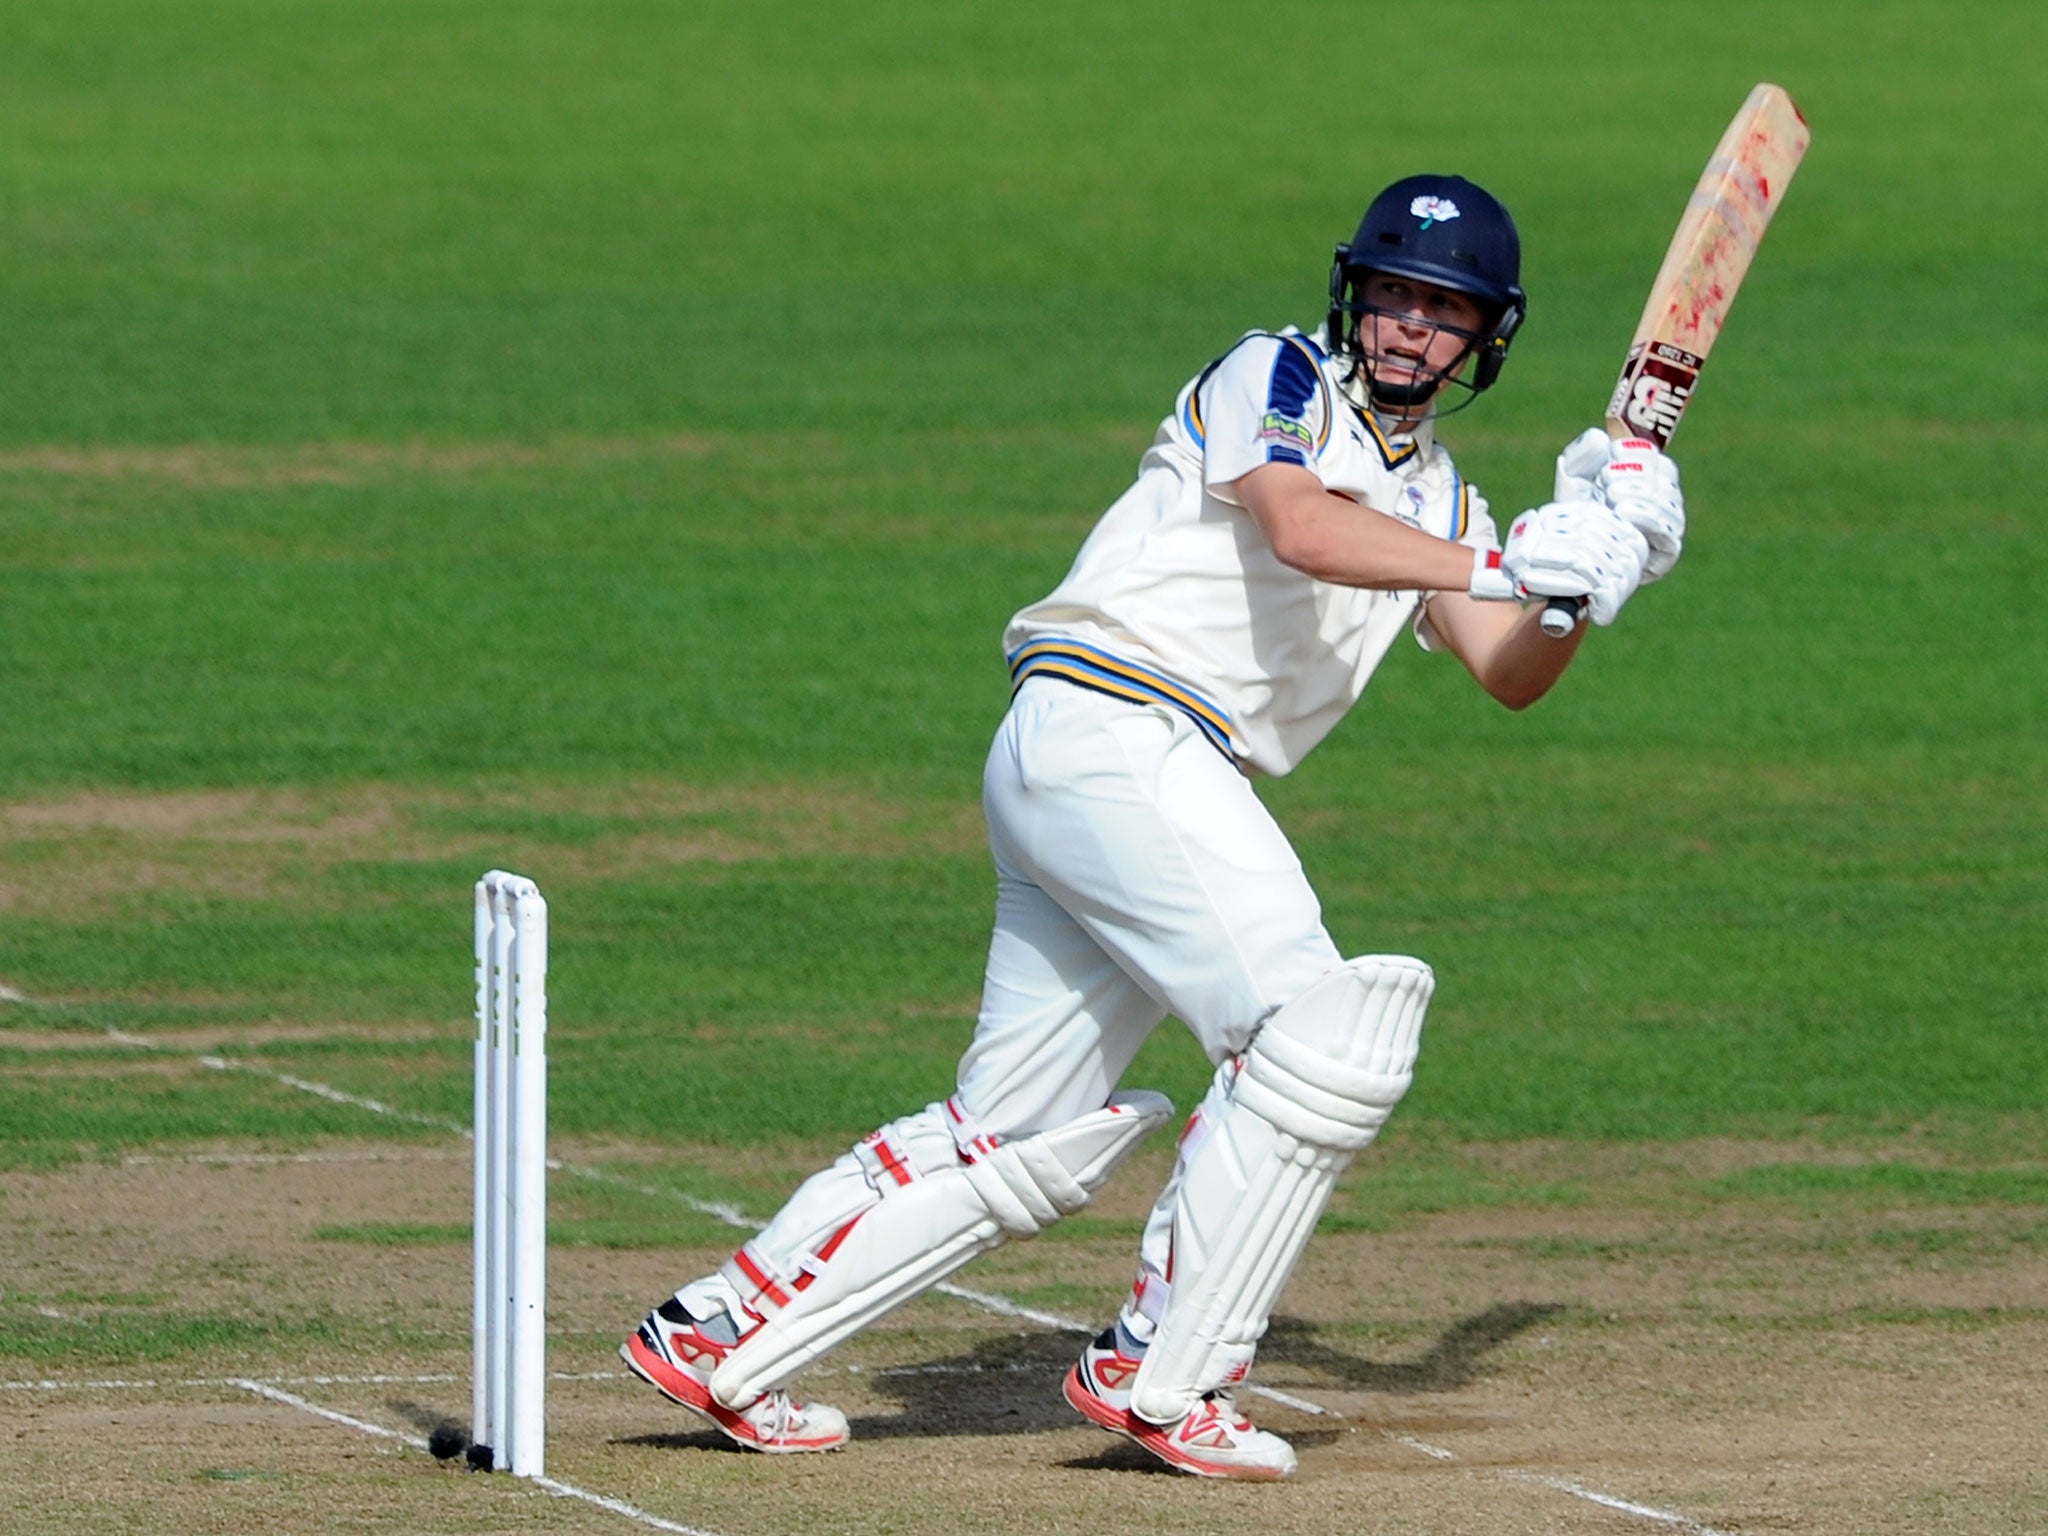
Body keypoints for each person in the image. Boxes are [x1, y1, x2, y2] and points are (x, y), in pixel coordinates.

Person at [619, 173, 1686, 1479]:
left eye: (1443, 309)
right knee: (1315, 1040)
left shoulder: (1445, 500)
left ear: (1485, 336)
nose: (1409, 328)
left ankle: (726, 1329)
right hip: (1119, 729)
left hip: (1115, 770)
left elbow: (1506, 670)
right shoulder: (1277, 374)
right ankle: (1163, 1371)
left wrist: (1596, 577)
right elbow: (1299, 526)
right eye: (1394, 295)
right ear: (1355, 298)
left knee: (1015, 1133)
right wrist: (1517, 562)